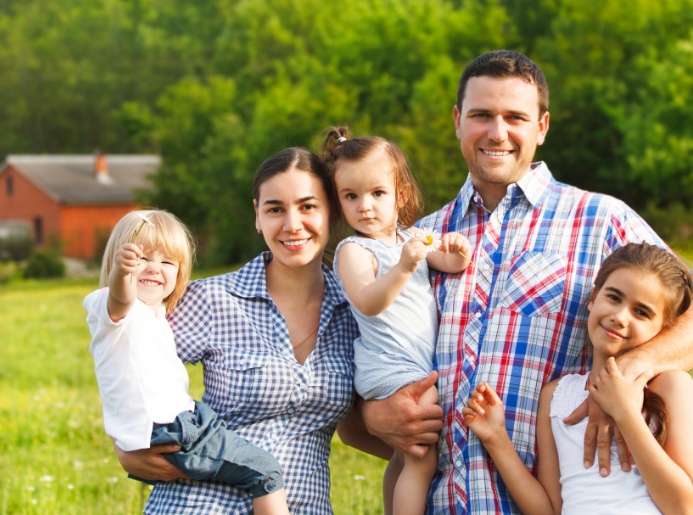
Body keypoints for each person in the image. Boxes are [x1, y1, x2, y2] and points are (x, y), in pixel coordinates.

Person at [360, 49, 693, 513]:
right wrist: (374, 415)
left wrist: (624, 379)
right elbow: (371, 357)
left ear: (542, 127)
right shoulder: (415, 244)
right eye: (481, 115)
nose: (497, 132)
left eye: (515, 117)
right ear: (456, 120)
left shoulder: (600, 219)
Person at [111, 148, 389, 514]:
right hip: (199, 504)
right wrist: (124, 444)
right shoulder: (212, 299)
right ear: (257, 216)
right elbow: (128, 359)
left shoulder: (359, 309)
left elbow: (359, 425)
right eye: (275, 209)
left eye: (308, 207)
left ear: (332, 212)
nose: (292, 224)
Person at [462, 243, 693, 514]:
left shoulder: (671, 385)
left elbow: (685, 508)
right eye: (614, 298)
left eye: (641, 312)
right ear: (593, 297)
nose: (620, 317)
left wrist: (624, 411)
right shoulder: (557, 395)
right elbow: (550, 510)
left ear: (664, 328)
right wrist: (497, 439)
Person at [85, 210, 289, 515]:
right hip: (168, 427)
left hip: (178, 420)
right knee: (266, 472)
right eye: (142, 258)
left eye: (167, 262)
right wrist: (122, 272)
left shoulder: (156, 315)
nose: (154, 268)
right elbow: (120, 297)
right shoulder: (113, 307)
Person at [322, 126, 471, 515]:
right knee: (422, 457)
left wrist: (459, 249)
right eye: (351, 197)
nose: (365, 206)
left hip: (413, 363)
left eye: (377, 193)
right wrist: (405, 265)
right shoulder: (353, 250)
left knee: (403, 457)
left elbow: (450, 262)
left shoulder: (413, 237)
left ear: (399, 194)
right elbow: (369, 302)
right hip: (390, 366)